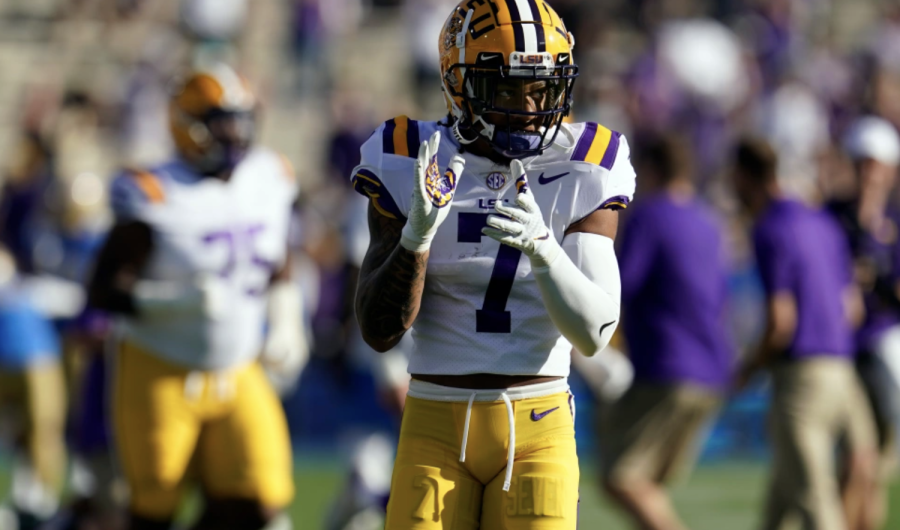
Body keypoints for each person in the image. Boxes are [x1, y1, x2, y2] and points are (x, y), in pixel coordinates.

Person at [352, 1, 636, 527]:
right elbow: (379, 330)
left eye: (541, 89)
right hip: (434, 419)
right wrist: (416, 236)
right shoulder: (412, 155)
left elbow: (595, 332)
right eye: (505, 89)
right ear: (459, 86)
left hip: (538, 420)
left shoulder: (585, 161)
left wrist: (546, 251)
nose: (528, 107)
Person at [87, 64, 307, 530]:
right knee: (154, 508)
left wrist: (287, 319)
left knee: (260, 499)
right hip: (159, 365)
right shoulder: (153, 191)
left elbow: (277, 255)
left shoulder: (268, 175)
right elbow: (103, 290)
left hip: (237, 364)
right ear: (186, 126)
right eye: (221, 121)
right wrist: (174, 302)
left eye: (242, 119)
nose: (235, 133)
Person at [732, 138, 877, 530]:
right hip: (843, 370)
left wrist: (747, 369)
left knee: (814, 500)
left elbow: (782, 322)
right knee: (786, 492)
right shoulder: (824, 222)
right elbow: (852, 310)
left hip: (802, 380)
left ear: (745, 177)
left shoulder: (769, 228)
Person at [601, 134, 733, 530]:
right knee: (649, 483)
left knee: (621, 477)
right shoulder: (708, 221)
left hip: (668, 367)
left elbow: (619, 285)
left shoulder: (651, 215)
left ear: (653, 170)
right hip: (712, 369)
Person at [827, 115, 900, 530]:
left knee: (872, 473)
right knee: (858, 461)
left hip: (880, 350)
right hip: (844, 351)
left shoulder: (890, 223)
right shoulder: (833, 216)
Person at [0, 245, 67, 530]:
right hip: (7, 367)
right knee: (11, 438)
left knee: (43, 431)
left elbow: (72, 299)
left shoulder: (33, 290)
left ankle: (41, 500)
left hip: (38, 363)